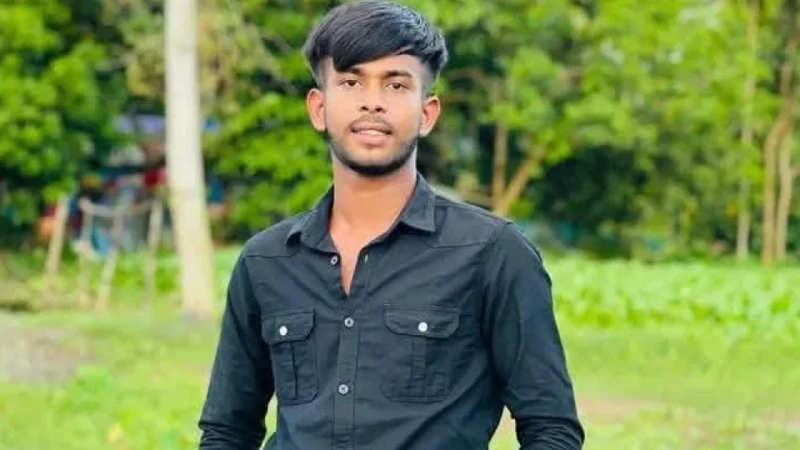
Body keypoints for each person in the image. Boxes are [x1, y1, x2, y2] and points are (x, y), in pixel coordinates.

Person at [197, 1, 584, 449]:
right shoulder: (266, 261)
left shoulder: (492, 252)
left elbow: (551, 429)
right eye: (351, 82)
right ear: (318, 108)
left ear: (427, 113)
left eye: (396, 84)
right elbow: (227, 431)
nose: (372, 101)